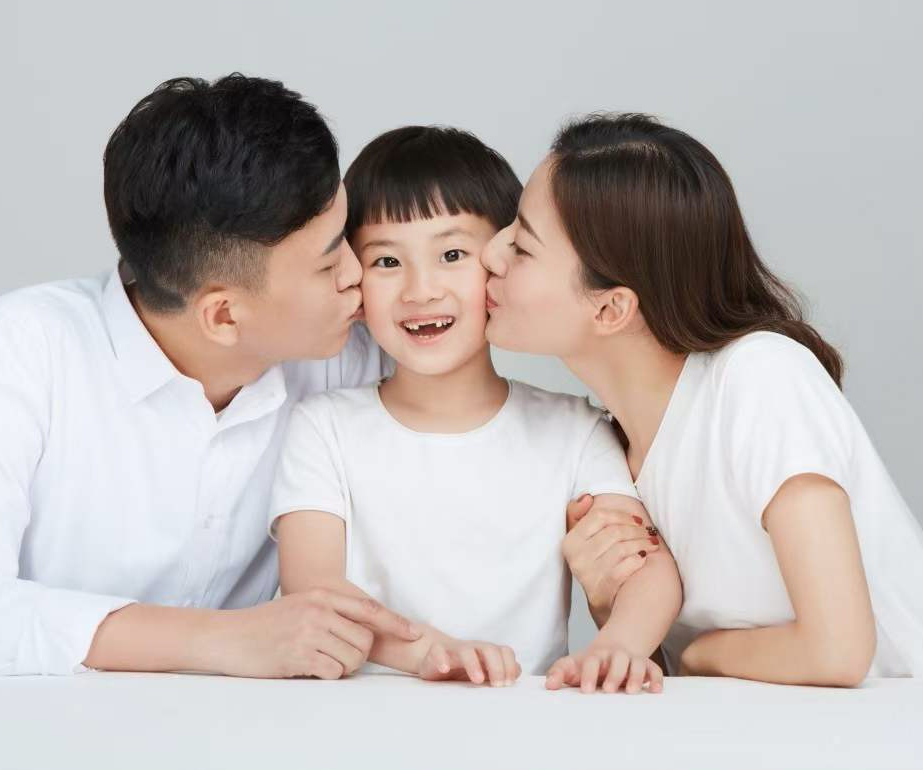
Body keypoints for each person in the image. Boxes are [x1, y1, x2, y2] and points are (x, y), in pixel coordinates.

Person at [0, 74, 423, 677]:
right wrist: (226, 640)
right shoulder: (26, 346)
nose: (359, 274)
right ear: (223, 316)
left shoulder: (349, 351)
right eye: (329, 265)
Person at [482, 114, 923, 687]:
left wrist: (698, 655)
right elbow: (663, 688)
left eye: (521, 246)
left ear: (610, 308)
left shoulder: (762, 379)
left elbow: (837, 652)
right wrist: (610, 608)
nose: (491, 253)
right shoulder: (609, 446)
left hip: (914, 721)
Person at [271, 126, 680, 692]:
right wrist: (429, 653)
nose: (420, 290)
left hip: (523, 719)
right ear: (354, 281)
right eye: (386, 261)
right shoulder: (323, 427)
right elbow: (312, 593)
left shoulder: (573, 429)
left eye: (452, 254)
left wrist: (619, 646)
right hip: (364, 714)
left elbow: (648, 567)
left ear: (501, 263)